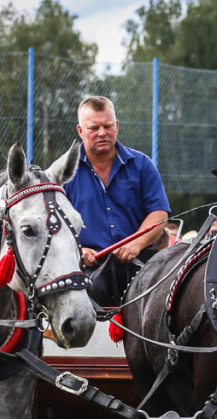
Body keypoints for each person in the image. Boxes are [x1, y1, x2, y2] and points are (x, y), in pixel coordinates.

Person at [64, 95, 170, 306]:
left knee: (163, 298)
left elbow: (159, 214)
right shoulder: (65, 172)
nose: (102, 133)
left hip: (140, 259)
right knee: (82, 300)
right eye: (94, 128)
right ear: (80, 131)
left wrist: (136, 244)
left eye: (108, 126)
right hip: (90, 266)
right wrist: (77, 250)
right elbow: (54, 224)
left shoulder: (142, 165)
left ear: (117, 126)